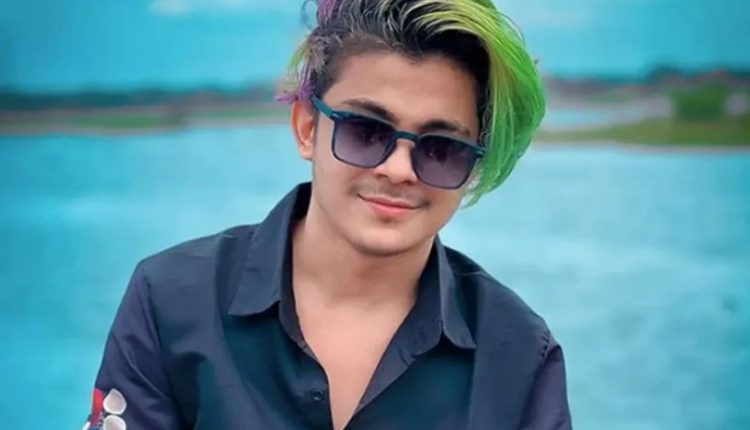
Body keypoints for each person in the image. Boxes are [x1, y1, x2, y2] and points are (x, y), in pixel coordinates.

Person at [83, 0, 571, 429]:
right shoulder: (171, 300)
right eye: (366, 130)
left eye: (441, 148)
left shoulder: (519, 355)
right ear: (307, 127)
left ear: (473, 165)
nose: (398, 170)